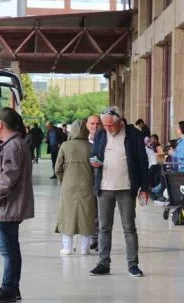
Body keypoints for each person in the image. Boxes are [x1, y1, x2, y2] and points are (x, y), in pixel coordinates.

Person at [89, 107, 150, 278]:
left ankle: (133, 265)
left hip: (126, 187)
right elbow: (94, 153)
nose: (108, 128)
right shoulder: (101, 134)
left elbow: (143, 162)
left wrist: (144, 188)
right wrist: (94, 161)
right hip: (104, 187)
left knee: (129, 228)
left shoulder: (133, 135)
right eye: (105, 125)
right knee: (103, 228)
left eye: (111, 125)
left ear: (120, 121)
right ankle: (103, 263)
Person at [0, 107, 34, 303]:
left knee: (8, 251)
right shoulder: (12, 144)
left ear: (0, 125)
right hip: (7, 204)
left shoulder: (12, 146)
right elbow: (4, 174)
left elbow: (8, 178)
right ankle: (12, 287)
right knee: (10, 248)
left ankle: (9, 289)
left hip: (6, 206)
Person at [55, 120, 96, 256]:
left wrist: (63, 180)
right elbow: (96, 169)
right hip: (87, 184)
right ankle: (85, 248)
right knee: (86, 214)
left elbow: (58, 168)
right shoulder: (91, 147)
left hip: (68, 185)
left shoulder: (65, 146)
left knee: (68, 214)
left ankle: (67, 247)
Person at [86, 115, 103, 251]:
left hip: (102, 181)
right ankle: (92, 237)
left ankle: (99, 239)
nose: (95, 126)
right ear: (87, 125)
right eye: (92, 123)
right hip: (86, 182)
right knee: (90, 211)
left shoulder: (105, 141)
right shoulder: (82, 142)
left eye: (97, 123)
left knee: (101, 212)